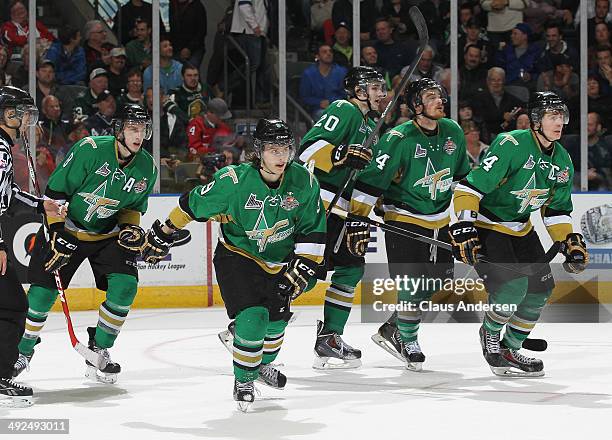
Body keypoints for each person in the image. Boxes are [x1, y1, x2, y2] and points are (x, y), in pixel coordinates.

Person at [141, 118, 326, 411]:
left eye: (285, 149)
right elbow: (192, 205)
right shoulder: (234, 182)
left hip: (279, 261)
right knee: (254, 318)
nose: (281, 156)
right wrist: (164, 231)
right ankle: (244, 379)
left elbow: (313, 229)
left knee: (275, 330)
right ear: (259, 150)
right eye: (273, 149)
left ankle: (253, 357)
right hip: (238, 257)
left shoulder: (303, 181)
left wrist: (304, 265)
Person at [13, 103, 157, 385]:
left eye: (142, 129)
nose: (138, 135)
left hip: (107, 235)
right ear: (118, 130)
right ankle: (21, 351)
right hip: (66, 228)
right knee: (41, 296)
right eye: (132, 128)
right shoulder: (90, 150)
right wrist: (57, 232)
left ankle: (99, 347)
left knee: (125, 287)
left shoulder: (146, 167)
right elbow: (55, 193)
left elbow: (131, 208)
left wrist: (130, 228)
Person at [450, 91, 588, 377]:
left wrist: (568, 241)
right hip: (489, 225)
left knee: (541, 289)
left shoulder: (562, 160)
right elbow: (468, 188)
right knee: (513, 288)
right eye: (552, 116)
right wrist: (463, 227)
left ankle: (510, 347)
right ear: (536, 120)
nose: (559, 122)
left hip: (521, 227)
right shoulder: (510, 144)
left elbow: (557, 211)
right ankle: (490, 337)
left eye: (561, 116)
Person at [352, 78, 470, 371]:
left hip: (439, 218)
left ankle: (394, 328)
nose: (440, 101)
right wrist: (357, 219)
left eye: (440, 96)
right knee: (411, 282)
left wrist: (468, 219)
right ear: (416, 105)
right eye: (431, 97)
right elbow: (370, 183)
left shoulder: (453, 131)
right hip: (404, 219)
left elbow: (463, 178)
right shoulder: (398, 139)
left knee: (440, 279)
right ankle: (408, 339)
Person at [298, 66, 386, 369]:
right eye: (374, 87)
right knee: (304, 276)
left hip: (342, 211)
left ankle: (330, 339)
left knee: (350, 269)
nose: (382, 93)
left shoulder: (372, 127)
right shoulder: (344, 109)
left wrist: (362, 215)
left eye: (382, 87)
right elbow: (308, 150)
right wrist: (339, 154)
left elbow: (363, 181)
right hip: (317, 207)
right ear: (359, 90)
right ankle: (247, 325)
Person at [0, 86, 64, 407]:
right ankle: (2, 375)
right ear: (8, 114)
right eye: (22, 113)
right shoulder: (0, 149)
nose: (26, 120)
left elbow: (8, 192)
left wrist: (43, 206)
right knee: (13, 307)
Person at [299, 44, 348, 119]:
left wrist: (332, 102)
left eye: (330, 52)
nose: (328, 54)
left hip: (339, 107)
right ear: (317, 56)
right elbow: (305, 97)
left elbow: (346, 93)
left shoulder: (341, 71)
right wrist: (319, 102)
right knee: (325, 115)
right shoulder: (309, 74)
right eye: (324, 52)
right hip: (318, 109)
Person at [169, 0, 208, 68]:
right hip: (175, 49)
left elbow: (202, 31)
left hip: (194, 50)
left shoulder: (197, 6)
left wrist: (189, 48)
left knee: (191, 73)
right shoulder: (173, 4)